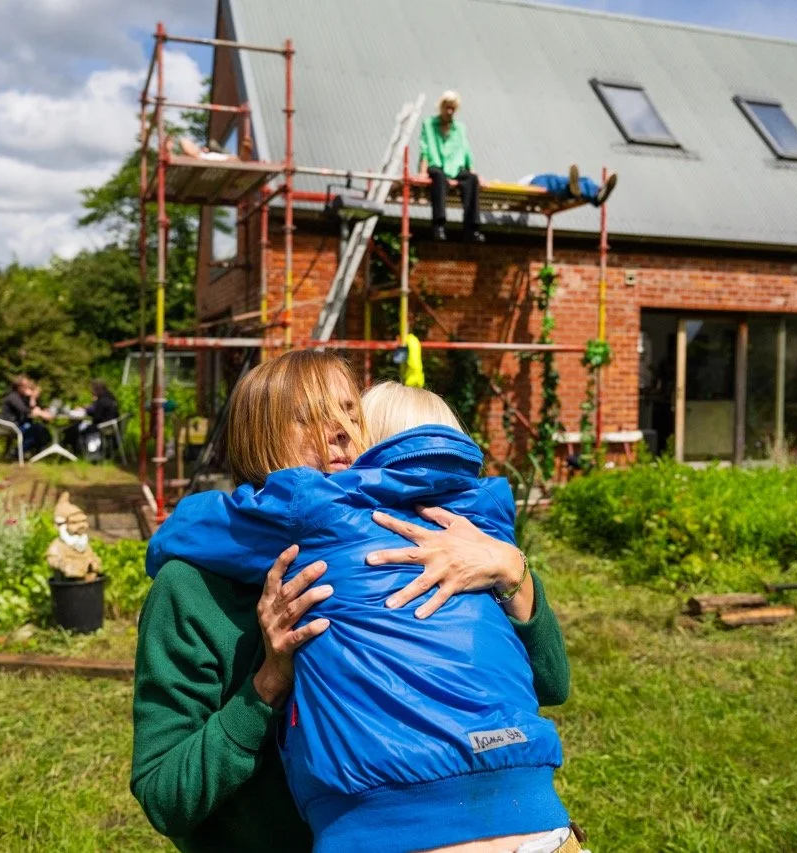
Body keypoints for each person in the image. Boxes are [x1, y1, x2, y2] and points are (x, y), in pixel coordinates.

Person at [133, 353, 575, 853]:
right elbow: (163, 796)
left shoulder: (417, 546)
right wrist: (266, 686)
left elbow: (552, 683)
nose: (338, 431)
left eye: (348, 413)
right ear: (258, 438)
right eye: (309, 417)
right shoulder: (190, 588)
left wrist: (511, 569)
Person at [419, 91, 483, 243]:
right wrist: (422, 172)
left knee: (472, 179)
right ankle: (439, 226)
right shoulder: (429, 124)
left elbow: (466, 150)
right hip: (437, 166)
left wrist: (474, 172)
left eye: (452, 109)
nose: (449, 112)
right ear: (441, 107)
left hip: (455, 167)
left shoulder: (460, 128)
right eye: (447, 108)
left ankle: (472, 229)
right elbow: (425, 148)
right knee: (439, 178)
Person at [0, 375, 53, 457]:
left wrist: (33, 398)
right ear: (19, 387)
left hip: (15, 424)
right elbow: (25, 410)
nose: (27, 387)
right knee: (38, 430)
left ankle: (28, 452)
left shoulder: (20, 397)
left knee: (40, 429)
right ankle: (16, 453)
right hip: (10, 426)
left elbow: (31, 408)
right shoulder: (13, 397)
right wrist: (40, 413)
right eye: (25, 386)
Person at [517, 164, 618, 207]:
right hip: (534, 182)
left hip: (539, 181)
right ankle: (594, 195)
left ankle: (597, 193)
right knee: (554, 181)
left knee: (583, 180)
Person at [69, 379, 120, 458]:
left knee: (75, 428)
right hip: (110, 427)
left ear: (96, 390)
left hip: (103, 427)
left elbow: (97, 417)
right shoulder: (110, 398)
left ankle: (78, 453)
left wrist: (91, 407)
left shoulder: (102, 401)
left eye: (92, 390)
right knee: (79, 426)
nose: (91, 392)